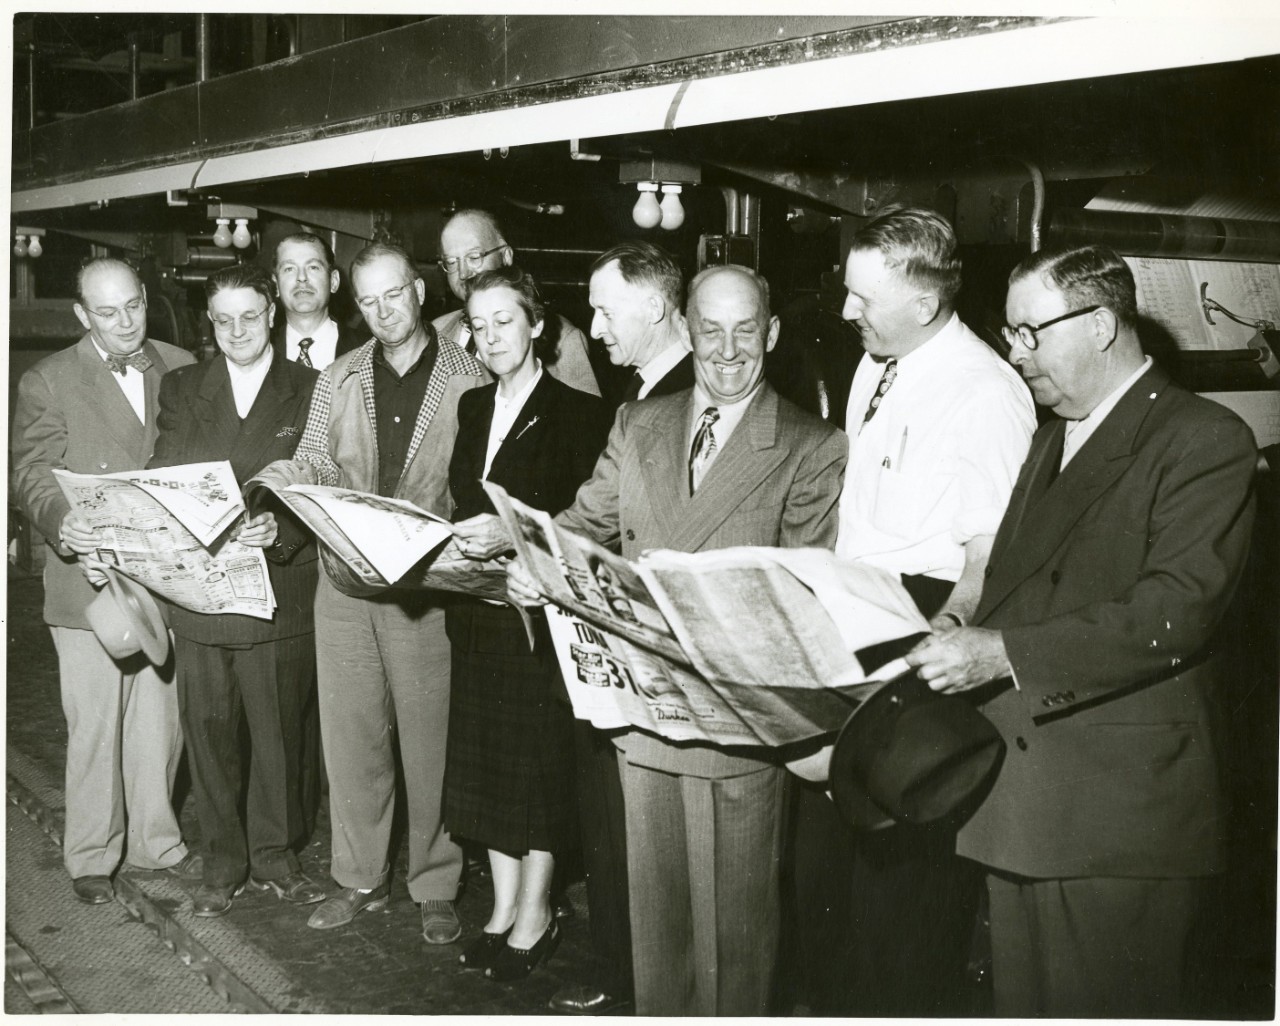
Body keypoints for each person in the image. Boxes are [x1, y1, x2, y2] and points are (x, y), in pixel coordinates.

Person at [906, 243, 1257, 1017]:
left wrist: (999, 650)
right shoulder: (1054, 433)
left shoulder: (1203, 439)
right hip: (1027, 798)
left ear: (1100, 324)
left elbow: (1176, 612)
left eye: (1031, 332)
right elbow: (1022, 580)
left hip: (1116, 815)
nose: (1016, 352)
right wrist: (965, 614)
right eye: (1010, 334)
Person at [512, 264, 848, 1016]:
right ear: (686, 331)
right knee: (656, 928)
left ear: (773, 332)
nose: (728, 351)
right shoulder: (640, 424)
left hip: (732, 729)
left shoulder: (809, 445)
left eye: (745, 331)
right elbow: (583, 523)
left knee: (733, 940)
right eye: (710, 331)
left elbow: (797, 601)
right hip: (641, 715)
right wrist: (536, 567)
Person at [787, 206, 1036, 1015]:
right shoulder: (879, 361)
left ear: (924, 304)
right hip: (859, 615)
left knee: (908, 876)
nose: (847, 310)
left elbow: (993, 552)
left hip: (924, 632)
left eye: (864, 298)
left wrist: (936, 655)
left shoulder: (985, 391)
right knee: (836, 865)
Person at [261, 242, 486, 941]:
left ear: (418, 291)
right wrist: (284, 482)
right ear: (353, 305)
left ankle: (435, 882)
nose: (384, 311)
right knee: (351, 739)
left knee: (430, 742)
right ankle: (357, 875)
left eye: (394, 294)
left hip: (427, 586)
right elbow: (318, 458)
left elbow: (478, 481)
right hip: (345, 582)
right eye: (368, 300)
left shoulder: (471, 376)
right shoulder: (338, 377)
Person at [10, 258, 199, 905]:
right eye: (108, 313)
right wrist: (67, 527)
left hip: (165, 577)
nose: (125, 324)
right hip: (86, 581)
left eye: (134, 308)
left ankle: (156, 843)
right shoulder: (49, 379)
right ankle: (92, 855)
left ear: (147, 299)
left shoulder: (180, 365)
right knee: (95, 722)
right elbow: (31, 471)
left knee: (160, 721)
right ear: (83, 316)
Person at [443, 266, 611, 981]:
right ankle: (503, 906)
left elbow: (587, 530)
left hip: (538, 621)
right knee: (488, 768)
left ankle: (538, 911)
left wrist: (508, 538)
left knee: (537, 771)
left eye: (504, 321)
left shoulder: (581, 414)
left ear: (538, 325)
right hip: (478, 612)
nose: (490, 337)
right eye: (477, 325)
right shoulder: (474, 406)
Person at [546, 239, 695, 1015]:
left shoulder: (694, 396)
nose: (594, 328)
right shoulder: (642, 399)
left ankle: (645, 986)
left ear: (656, 304)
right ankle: (636, 979)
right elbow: (595, 510)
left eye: (606, 310)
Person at [146, 263, 322, 917]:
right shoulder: (183, 386)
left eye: (250, 315)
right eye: (223, 319)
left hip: (278, 589)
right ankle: (223, 864)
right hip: (200, 594)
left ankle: (277, 857)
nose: (237, 330)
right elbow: (165, 470)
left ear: (273, 313)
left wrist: (284, 526)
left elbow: (323, 482)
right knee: (210, 733)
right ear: (209, 323)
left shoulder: (311, 389)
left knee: (280, 739)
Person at [433, 209, 599, 396]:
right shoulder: (437, 332)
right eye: (451, 262)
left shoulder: (563, 339)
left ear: (506, 256)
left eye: (474, 257)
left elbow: (585, 417)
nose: (463, 273)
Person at [271, 232, 364, 369]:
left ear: (333, 281)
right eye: (289, 269)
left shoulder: (367, 349)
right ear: (276, 285)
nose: (302, 277)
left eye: (313, 267)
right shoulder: (260, 351)